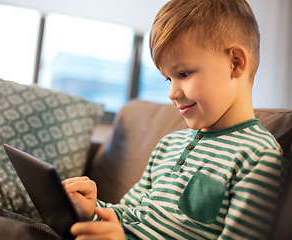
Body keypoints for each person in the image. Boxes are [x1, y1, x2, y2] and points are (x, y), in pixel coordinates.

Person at [64, 0, 287, 239]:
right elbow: (127, 215)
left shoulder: (258, 156)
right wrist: (91, 210)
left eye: (183, 74)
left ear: (235, 63)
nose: (172, 93)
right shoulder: (167, 146)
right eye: (168, 79)